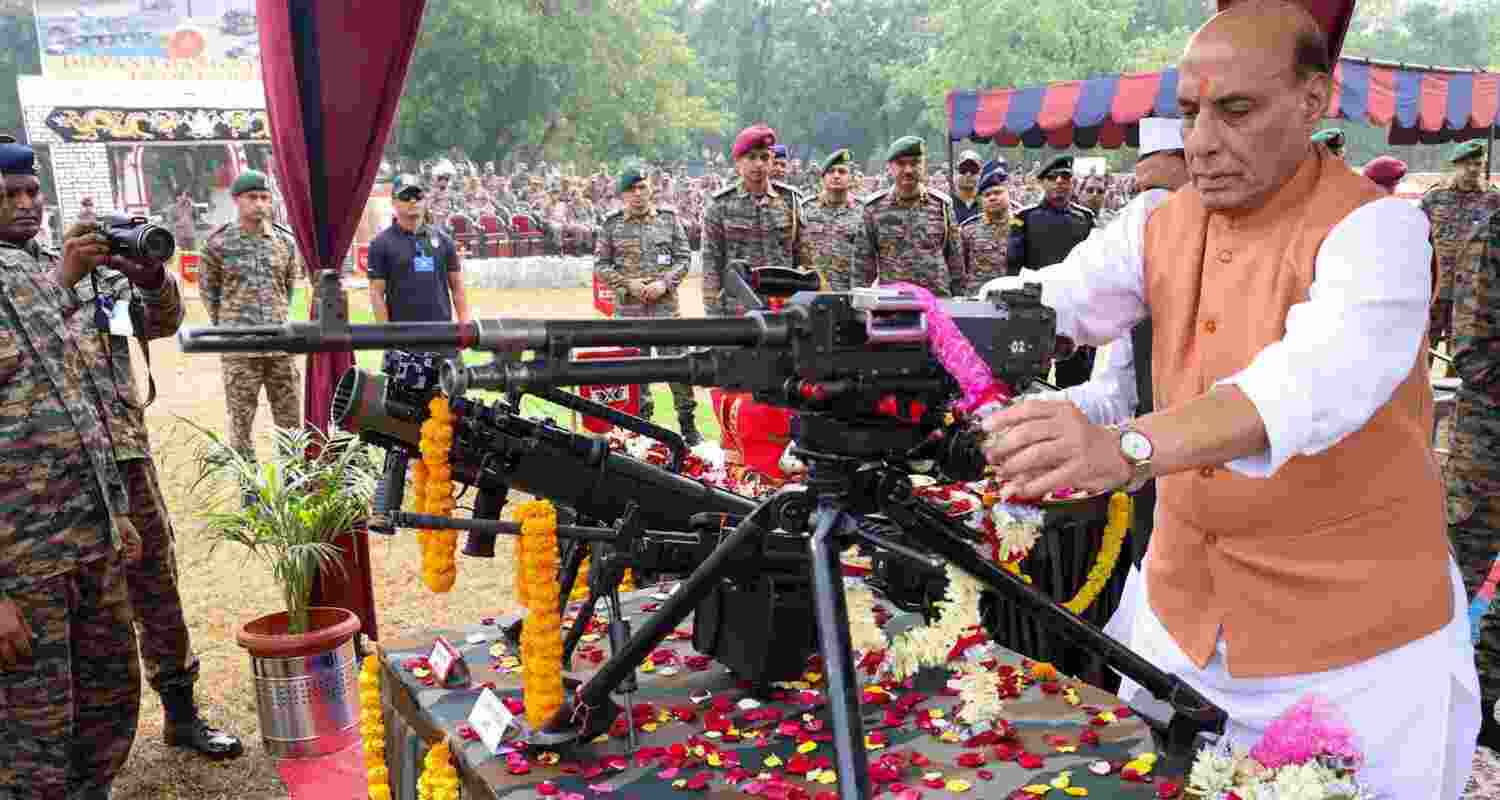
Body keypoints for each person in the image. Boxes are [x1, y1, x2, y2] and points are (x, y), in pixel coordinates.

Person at [979, 4, 1476, 796]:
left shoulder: (1380, 233)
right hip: (1180, 628)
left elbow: (1312, 383)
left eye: (1235, 110)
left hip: (1350, 657)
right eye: (1188, 112)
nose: (1202, 140)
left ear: (1313, 102)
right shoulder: (1157, 220)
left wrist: (1127, 448)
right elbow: (1051, 299)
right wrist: (917, 326)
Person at [0, 138, 146, 799]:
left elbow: (79, 402)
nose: (25, 203)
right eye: (9, 194)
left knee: (110, 696)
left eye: (31, 191)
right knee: (32, 734)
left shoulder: (32, 270)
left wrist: (117, 512)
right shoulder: (36, 274)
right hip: (22, 562)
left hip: (89, 535)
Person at [199, 170, 304, 463]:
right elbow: (210, 294)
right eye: (251, 197)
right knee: (241, 423)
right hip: (239, 349)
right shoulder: (218, 244)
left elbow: (288, 287)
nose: (259, 204)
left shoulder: (285, 242)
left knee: (291, 423)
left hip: (280, 346)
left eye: (264, 198)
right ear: (237, 200)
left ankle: (294, 483)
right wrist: (231, 329)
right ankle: (250, 491)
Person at [593, 163, 700, 444]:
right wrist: (628, 284)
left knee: (678, 368)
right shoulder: (611, 224)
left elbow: (684, 257)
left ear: (650, 189)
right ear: (622, 195)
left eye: (642, 187)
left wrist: (664, 284)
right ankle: (642, 428)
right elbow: (601, 265)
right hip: (629, 312)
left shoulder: (668, 219)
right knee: (635, 372)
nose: (638, 194)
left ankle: (688, 426)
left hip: (665, 310)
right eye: (631, 189)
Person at [1456, 201, 1500, 749]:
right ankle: (1438, 703)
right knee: (1455, 579)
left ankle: (1483, 698)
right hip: (1489, 445)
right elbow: (1472, 353)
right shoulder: (1494, 232)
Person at [1009, 154, 1095, 387]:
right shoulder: (1024, 218)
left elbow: (1092, 266)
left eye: (1065, 177)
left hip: (1074, 309)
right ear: (1042, 182)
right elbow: (1014, 268)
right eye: (1052, 177)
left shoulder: (1085, 219)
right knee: (1032, 379)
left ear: (1072, 182)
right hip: (1037, 308)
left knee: (1075, 379)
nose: (1059, 181)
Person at [368, 174, 471, 364]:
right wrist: (386, 335)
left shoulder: (444, 240)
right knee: (402, 394)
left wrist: (464, 325)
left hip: (443, 339)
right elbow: (376, 293)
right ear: (394, 203)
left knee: (448, 393)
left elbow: (457, 287)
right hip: (403, 341)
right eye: (406, 196)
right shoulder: (381, 244)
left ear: (425, 200)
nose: (413, 201)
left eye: (417, 195)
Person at [701, 124, 803, 317]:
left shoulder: (791, 201)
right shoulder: (719, 204)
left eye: (764, 157)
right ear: (738, 163)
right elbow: (711, 265)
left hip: (784, 307)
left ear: (772, 161)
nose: (758, 164)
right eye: (751, 157)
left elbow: (803, 259)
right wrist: (713, 315)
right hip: (737, 310)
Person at [1421, 140, 1500, 369]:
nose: (1473, 169)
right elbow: (1415, 241)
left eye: (1478, 164)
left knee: (1463, 356)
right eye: (1468, 164)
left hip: (1473, 292)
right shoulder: (1433, 199)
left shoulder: (1493, 201)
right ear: (1455, 165)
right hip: (1436, 288)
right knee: (1425, 346)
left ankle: (1454, 397)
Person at [858, 136, 963, 296]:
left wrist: (959, 303)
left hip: (936, 303)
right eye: (901, 164)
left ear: (923, 166)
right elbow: (862, 265)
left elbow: (955, 263)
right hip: (892, 305)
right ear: (890, 168)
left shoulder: (942, 205)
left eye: (914, 163)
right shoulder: (873, 208)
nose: (908, 170)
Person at [798, 148, 864, 291]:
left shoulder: (864, 211)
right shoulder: (805, 208)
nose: (836, 176)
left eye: (842, 171)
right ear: (822, 177)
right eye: (831, 171)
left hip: (851, 294)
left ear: (851, 178)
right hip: (811, 293)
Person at [958, 160, 1012, 294]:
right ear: (981, 200)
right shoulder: (968, 229)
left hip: (1013, 297)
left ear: (1008, 194)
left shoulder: (1022, 226)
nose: (992, 198)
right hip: (978, 298)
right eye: (987, 195)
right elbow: (960, 267)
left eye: (997, 192)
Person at [951, 149, 984, 224]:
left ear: (980, 173)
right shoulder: (947, 204)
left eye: (973, 170)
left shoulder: (987, 203)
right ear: (956, 172)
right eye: (963, 169)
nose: (968, 174)